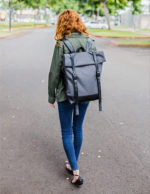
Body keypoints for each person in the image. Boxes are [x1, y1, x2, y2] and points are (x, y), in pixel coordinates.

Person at [48, 9, 97, 185]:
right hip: (86, 93)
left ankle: (75, 171)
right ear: (78, 22)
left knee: (67, 131)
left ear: (63, 23)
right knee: (78, 128)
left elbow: (54, 72)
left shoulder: (62, 44)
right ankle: (72, 163)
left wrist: (51, 96)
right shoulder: (91, 42)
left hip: (66, 94)